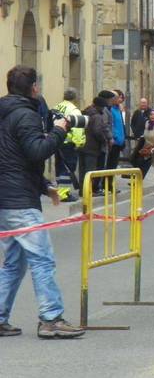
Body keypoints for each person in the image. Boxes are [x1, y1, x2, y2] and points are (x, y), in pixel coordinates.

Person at [0, 65, 85, 339]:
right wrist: (59, 131)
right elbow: (37, 151)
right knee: (42, 259)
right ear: (34, 87)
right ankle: (51, 318)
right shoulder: (25, 116)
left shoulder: (6, 113)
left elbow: (14, 159)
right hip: (19, 201)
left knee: (14, 263)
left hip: (8, 196)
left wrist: (45, 186)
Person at [53, 87, 86, 202]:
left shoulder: (57, 107)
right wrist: (79, 143)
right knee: (67, 168)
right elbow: (77, 129)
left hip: (56, 141)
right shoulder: (74, 111)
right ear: (75, 97)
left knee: (59, 167)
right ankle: (64, 193)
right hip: (68, 143)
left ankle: (59, 190)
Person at [78, 96, 111, 197]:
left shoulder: (86, 112)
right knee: (90, 170)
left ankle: (82, 190)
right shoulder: (97, 116)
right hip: (92, 147)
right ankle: (89, 191)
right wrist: (104, 140)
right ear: (99, 106)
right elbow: (97, 131)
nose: (103, 109)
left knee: (83, 170)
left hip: (82, 145)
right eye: (103, 107)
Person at [104, 90, 126, 191]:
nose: (119, 100)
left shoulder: (118, 110)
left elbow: (121, 125)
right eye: (117, 98)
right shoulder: (111, 110)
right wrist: (115, 137)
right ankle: (107, 185)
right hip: (113, 141)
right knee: (109, 165)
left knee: (113, 165)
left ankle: (110, 184)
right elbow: (111, 125)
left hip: (119, 142)